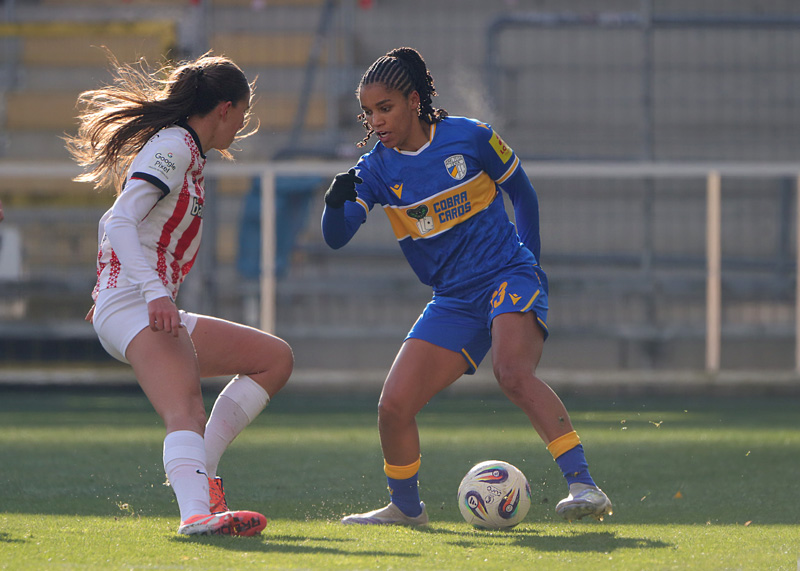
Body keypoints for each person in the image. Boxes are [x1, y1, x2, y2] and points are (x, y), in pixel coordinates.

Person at [321, 47, 612, 526]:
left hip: (506, 275)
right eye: (368, 112)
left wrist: (530, 266)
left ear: (414, 101)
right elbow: (337, 237)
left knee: (511, 372)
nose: (376, 121)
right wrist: (335, 204)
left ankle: (584, 486)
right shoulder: (373, 170)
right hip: (453, 299)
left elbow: (523, 194)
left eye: (385, 108)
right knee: (393, 406)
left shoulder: (471, 137)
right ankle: (406, 509)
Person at [66, 53, 294, 536]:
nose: (242, 125)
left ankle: (203, 479)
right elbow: (120, 219)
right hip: (139, 303)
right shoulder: (174, 146)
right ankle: (195, 515)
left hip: (137, 301)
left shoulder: (184, 149)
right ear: (226, 109)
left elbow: (117, 222)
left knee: (273, 359)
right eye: (243, 114)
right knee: (185, 410)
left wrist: (117, 285)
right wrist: (146, 292)